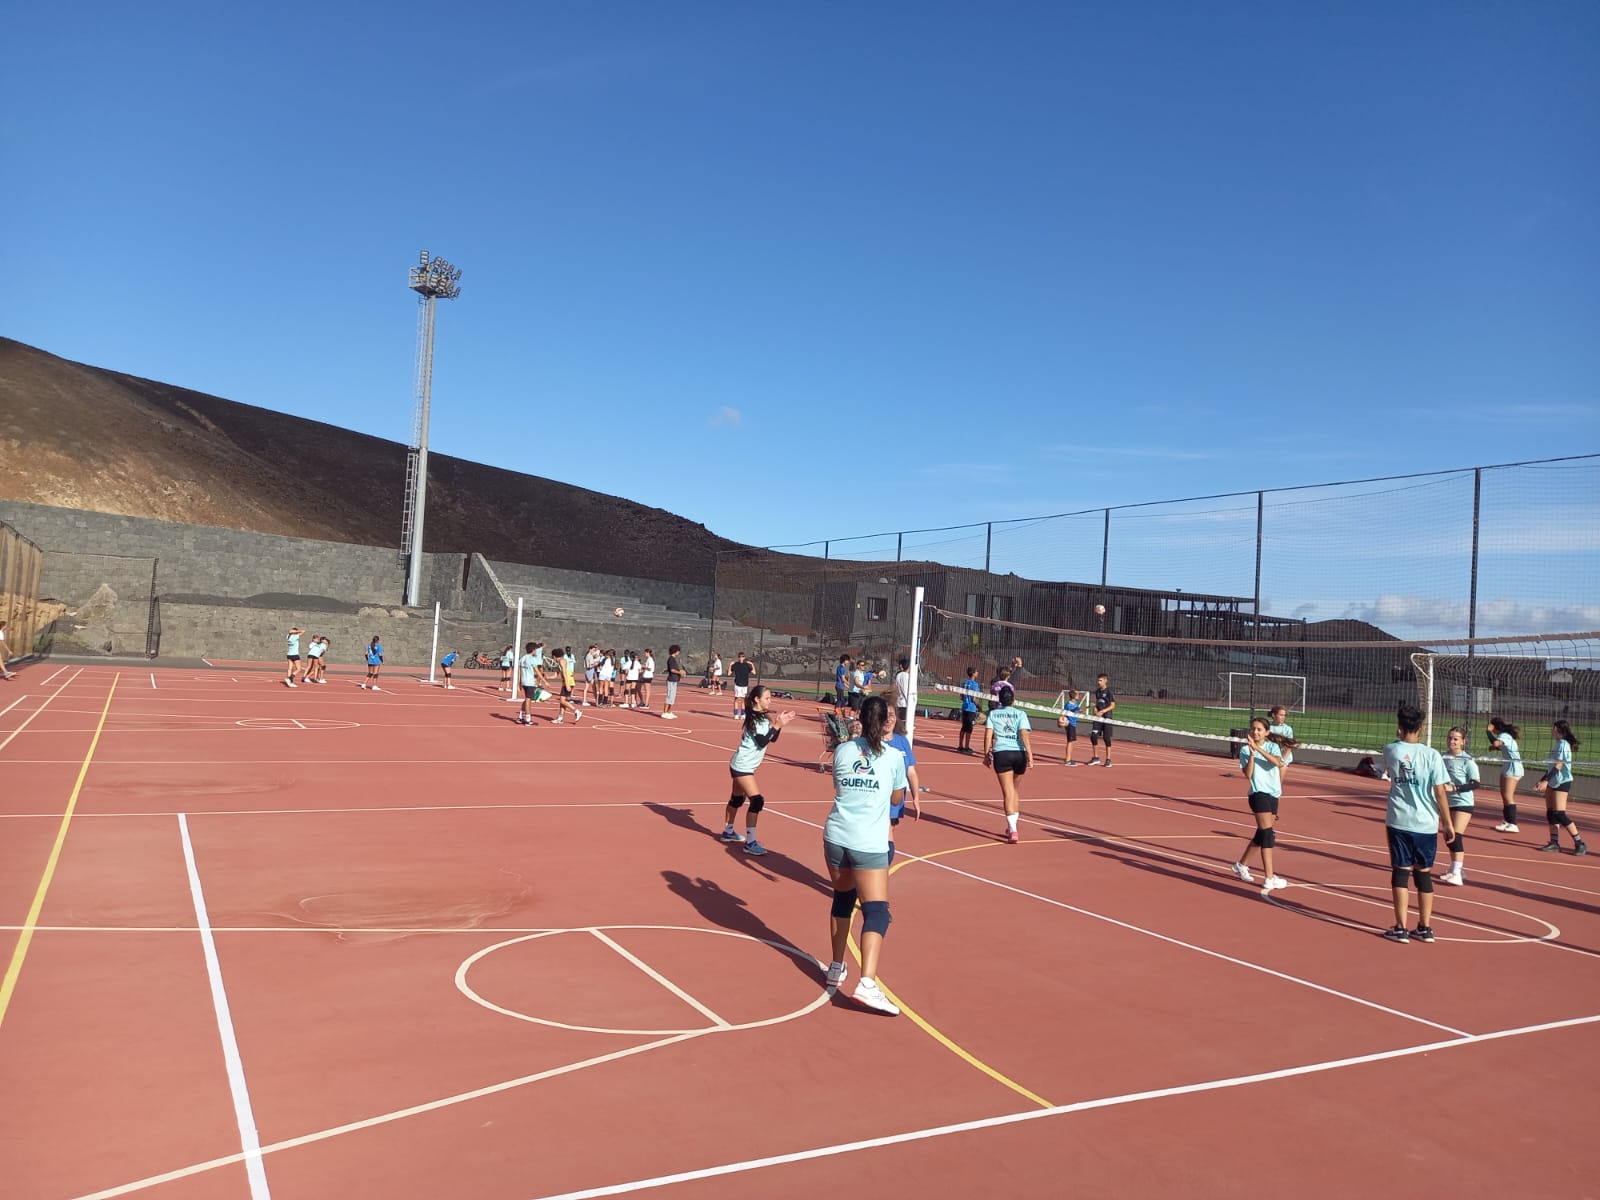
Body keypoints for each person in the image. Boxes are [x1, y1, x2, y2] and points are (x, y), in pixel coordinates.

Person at [821, 694, 907, 1016]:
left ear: (859, 717)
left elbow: (840, 786)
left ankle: (836, 965)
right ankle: (867, 983)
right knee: (877, 911)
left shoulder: (842, 750)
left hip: (836, 837)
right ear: (887, 721)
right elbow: (897, 797)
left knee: (843, 899)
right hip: (868, 842)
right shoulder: (894, 757)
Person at [1380, 703, 1452, 943]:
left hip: (1399, 820)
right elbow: (1440, 792)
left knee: (1400, 872)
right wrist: (1448, 823)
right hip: (1427, 823)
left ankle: (1401, 927)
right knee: (1424, 874)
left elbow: (1392, 768)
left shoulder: (1390, 750)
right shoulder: (1432, 755)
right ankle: (1425, 927)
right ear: (1421, 728)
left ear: (1399, 727)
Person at [719, 684, 795, 856]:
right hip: (742, 766)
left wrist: (780, 725)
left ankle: (728, 831)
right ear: (757, 699)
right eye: (767, 698)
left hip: (741, 764)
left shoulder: (761, 717)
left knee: (737, 800)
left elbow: (771, 739)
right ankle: (750, 842)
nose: (770, 700)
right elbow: (762, 741)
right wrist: (776, 725)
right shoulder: (755, 719)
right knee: (757, 801)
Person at [1230, 717, 1288, 893]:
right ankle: (1269, 877)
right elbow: (1248, 774)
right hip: (1258, 794)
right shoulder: (1246, 750)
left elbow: (1277, 762)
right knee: (1268, 835)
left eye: (1259, 730)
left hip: (1273, 795)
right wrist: (1253, 753)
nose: (1255, 732)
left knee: (1261, 834)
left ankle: (1241, 865)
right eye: (1253, 729)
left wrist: (1259, 749)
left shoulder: (1272, 747)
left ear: (1266, 733)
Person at [983, 682, 1033, 844]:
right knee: (1014, 790)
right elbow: (1023, 733)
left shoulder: (993, 714)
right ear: (1013, 700)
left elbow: (988, 735)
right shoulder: (1020, 714)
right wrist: (1030, 754)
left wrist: (986, 753)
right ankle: (1013, 825)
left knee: (1008, 792)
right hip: (1019, 754)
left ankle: (1013, 829)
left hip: (1002, 753)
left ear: (999, 700)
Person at [1533, 720, 1587, 855]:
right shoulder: (1558, 744)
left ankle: (1580, 843)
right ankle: (1554, 843)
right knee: (1550, 812)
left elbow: (1559, 766)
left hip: (1562, 781)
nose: (1551, 730)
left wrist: (1546, 781)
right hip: (1553, 780)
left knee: (1559, 813)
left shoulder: (1563, 745)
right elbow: (1552, 766)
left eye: (1553, 728)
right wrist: (1542, 780)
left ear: (1558, 730)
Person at [1439, 726, 1479, 884]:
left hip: (1463, 802)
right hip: (1447, 802)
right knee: (1449, 836)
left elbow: (1475, 783)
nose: (1452, 741)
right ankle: (1456, 869)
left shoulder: (1467, 760)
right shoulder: (1442, 758)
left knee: (1456, 836)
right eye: (1450, 738)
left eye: (1456, 738)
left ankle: (1456, 873)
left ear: (1463, 741)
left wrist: (1455, 788)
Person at [884, 704, 922, 858]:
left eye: (891, 715)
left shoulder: (901, 742)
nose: (888, 719)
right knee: (884, 842)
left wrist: (916, 798)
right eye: (884, 715)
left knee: (889, 832)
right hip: (876, 799)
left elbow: (911, 771)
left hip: (896, 801)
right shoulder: (872, 742)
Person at [1485, 716, 1523, 832]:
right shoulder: (1504, 736)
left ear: (1495, 727)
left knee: (1508, 796)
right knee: (1504, 795)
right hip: (1507, 767)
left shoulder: (1505, 736)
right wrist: (1494, 748)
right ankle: (1507, 821)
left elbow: (1496, 743)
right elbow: (1502, 747)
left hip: (1513, 768)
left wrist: (1488, 732)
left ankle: (1513, 824)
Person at [1088, 672, 1116, 767]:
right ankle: (1095, 757)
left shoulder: (1109, 692)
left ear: (1105, 681)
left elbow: (1113, 705)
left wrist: (1103, 711)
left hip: (1107, 717)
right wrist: (1095, 710)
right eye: (1098, 680)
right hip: (1098, 718)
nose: (1098, 682)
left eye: (1100, 680)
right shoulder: (1097, 692)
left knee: (1106, 738)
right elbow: (1097, 704)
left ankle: (1108, 759)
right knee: (1093, 736)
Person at [548, 648, 582, 725]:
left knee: (562, 701)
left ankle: (576, 711)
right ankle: (560, 718)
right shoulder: (559, 663)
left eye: (552, 657)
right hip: (566, 682)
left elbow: (564, 673)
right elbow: (556, 675)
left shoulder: (562, 661)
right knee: (562, 702)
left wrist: (567, 684)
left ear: (554, 656)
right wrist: (546, 677)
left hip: (568, 682)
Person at [516, 641, 544, 727]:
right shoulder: (532, 659)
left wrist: (519, 682)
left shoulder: (523, 658)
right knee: (528, 700)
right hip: (530, 682)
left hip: (524, 682)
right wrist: (544, 680)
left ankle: (521, 716)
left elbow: (519, 672)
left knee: (526, 699)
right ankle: (528, 719)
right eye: (535, 649)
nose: (536, 651)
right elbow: (537, 671)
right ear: (533, 649)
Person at [957, 666, 981, 755]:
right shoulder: (975, 685)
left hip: (964, 707)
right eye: (976, 671)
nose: (977, 673)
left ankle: (960, 745)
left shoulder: (964, 683)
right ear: (974, 673)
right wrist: (979, 706)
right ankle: (966, 746)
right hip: (971, 708)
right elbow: (974, 698)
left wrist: (965, 700)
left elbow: (961, 696)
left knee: (963, 727)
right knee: (969, 728)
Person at [1057, 689, 1082, 765]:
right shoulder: (1068, 704)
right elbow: (1065, 713)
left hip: (1074, 723)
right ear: (1074, 695)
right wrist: (1061, 721)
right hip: (1069, 724)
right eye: (1077, 694)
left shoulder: (1076, 703)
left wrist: (1087, 707)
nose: (1078, 696)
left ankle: (1069, 758)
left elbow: (1078, 710)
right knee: (1070, 741)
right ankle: (1067, 760)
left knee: (1073, 741)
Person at [1269, 705, 1294, 780]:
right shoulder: (1268, 728)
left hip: (1283, 760)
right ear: (1274, 715)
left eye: (1284, 715)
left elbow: (1289, 746)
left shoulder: (1287, 729)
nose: (1283, 717)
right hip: (1270, 758)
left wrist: (1283, 760)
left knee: (1278, 783)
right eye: (1281, 715)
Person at [662, 645, 686, 719]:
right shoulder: (671, 659)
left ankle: (669, 712)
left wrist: (680, 673)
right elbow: (672, 670)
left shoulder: (674, 659)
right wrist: (680, 672)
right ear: (675, 651)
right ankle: (664, 712)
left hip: (675, 680)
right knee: (669, 696)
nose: (679, 652)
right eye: (678, 651)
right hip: (671, 680)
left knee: (672, 697)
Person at [729, 651, 756, 719]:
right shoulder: (736, 665)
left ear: (744, 657)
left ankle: (743, 714)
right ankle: (736, 714)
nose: (741, 658)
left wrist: (752, 664)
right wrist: (730, 665)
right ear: (738, 657)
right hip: (737, 684)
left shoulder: (747, 665)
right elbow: (729, 673)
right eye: (740, 657)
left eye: (743, 657)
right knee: (737, 699)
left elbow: (754, 672)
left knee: (744, 700)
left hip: (745, 685)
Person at [893, 657, 912, 730]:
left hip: (899, 702)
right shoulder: (905, 676)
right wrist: (910, 702)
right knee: (902, 723)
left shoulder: (899, 675)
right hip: (904, 703)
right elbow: (905, 690)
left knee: (899, 721)